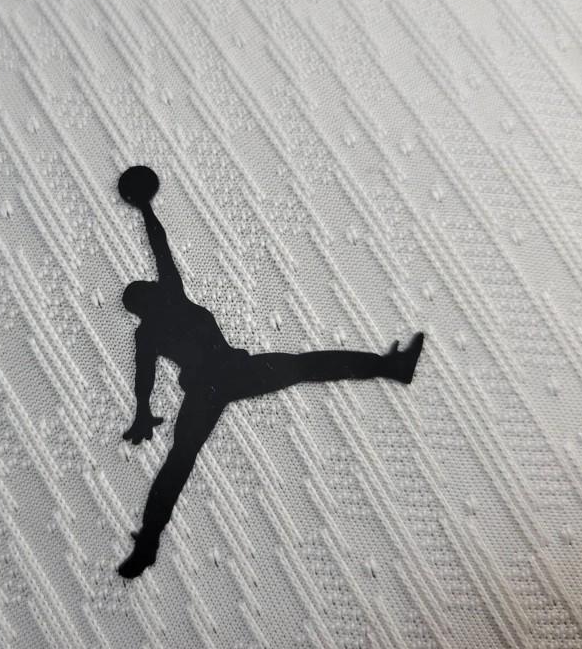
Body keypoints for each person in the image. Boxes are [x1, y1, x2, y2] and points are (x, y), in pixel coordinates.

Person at [117, 166, 424, 578]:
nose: (154, 286)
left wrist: (142, 412)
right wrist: (146, 209)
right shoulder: (170, 303)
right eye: (147, 289)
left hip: (209, 388)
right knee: (304, 366)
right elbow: (160, 250)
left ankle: (148, 544)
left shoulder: (150, 330)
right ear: (148, 298)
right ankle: (390, 366)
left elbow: (145, 379)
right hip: (231, 373)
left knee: (181, 458)